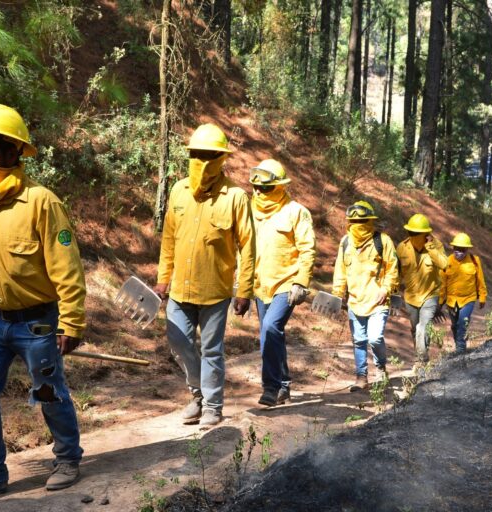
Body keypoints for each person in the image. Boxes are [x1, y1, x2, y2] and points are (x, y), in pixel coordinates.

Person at [0, 104, 86, 501]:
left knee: (48, 390)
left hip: (37, 322)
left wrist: (71, 322)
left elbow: (67, 269)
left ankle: (67, 458)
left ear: (12, 154)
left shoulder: (42, 203)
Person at [154, 123, 255, 427]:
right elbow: (169, 238)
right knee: (178, 341)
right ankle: (197, 392)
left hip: (215, 290)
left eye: (210, 155)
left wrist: (245, 289)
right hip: (180, 289)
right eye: (197, 154)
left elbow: (248, 245)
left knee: (212, 349)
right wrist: (163, 277)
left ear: (221, 158)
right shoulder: (179, 190)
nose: (202, 161)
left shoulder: (235, 197)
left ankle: (212, 405)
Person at [250, 159, 316, 407]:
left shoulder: (296, 211)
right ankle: (285, 384)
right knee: (270, 334)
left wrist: (301, 281)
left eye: (265, 188)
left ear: (278, 187)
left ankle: (271, 387)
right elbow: (242, 247)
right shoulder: (250, 210)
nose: (259, 192)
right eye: (255, 188)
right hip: (260, 284)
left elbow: (307, 249)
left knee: (270, 327)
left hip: (287, 283)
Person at [332, 201, 399, 391]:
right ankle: (361, 377)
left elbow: (392, 268)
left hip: (378, 301)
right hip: (355, 300)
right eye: (353, 221)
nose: (357, 224)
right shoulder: (345, 242)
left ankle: (380, 367)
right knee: (359, 340)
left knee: (375, 338)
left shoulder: (383, 241)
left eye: (361, 220)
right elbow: (340, 270)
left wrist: (386, 288)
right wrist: (338, 294)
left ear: (370, 221)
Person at [396, 213, 448, 369]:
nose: (412, 236)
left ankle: (421, 362)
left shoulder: (436, 245)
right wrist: (393, 291)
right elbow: (396, 272)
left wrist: (430, 247)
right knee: (415, 329)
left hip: (431, 295)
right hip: (411, 297)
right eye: (410, 233)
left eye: (416, 233)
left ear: (426, 233)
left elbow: (444, 264)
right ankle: (421, 356)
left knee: (422, 327)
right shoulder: (402, 247)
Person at [440, 233, 487, 354]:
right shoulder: (447, 261)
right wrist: (440, 301)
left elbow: (480, 279)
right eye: (457, 249)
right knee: (455, 325)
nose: (459, 252)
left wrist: (482, 296)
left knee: (463, 323)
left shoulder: (474, 261)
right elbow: (442, 283)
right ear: (453, 248)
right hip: (451, 300)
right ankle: (459, 345)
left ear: (467, 249)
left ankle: (461, 349)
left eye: (462, 249)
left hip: (468, 299)